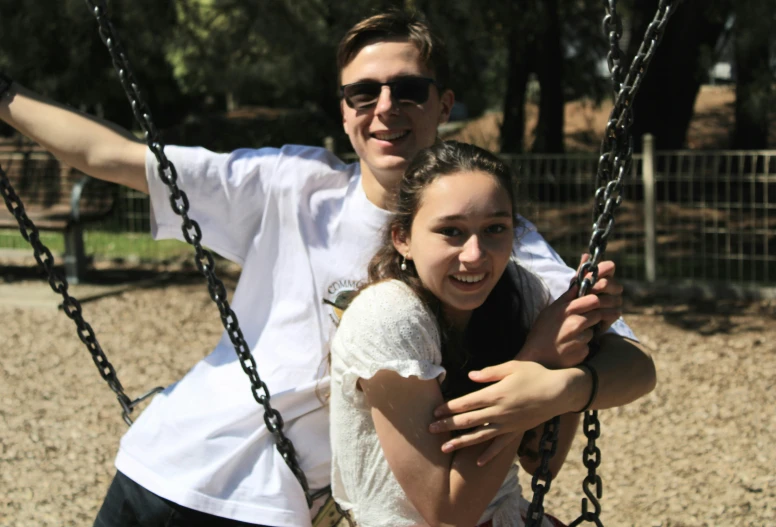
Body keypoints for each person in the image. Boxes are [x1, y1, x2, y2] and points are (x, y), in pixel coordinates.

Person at [0, 9, 655, 527]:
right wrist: (4, 96)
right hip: (167, 464)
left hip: (278, 506)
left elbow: (626, 361)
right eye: (363, 92)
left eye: (408, 89)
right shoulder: (290, 184)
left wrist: (562, 388)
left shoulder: (492, 244)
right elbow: (112, 156)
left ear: (443, 103)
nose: (385, 107)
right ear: (343, 112)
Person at [330, 140, 624, 527]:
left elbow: (542, 463)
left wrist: (577, 345)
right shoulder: (387, 316)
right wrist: (538, 356)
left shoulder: (520, 293)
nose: (475, 254)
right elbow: (449, 511)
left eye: (495, 229)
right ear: (403, 238)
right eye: (451, 231)